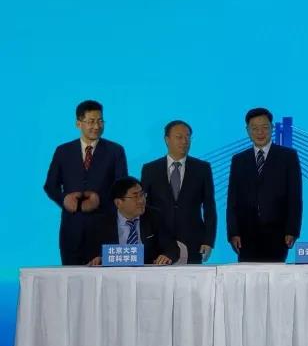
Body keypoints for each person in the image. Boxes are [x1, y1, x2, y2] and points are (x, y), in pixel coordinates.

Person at [44, 100, 127, 265]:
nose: (96, 126)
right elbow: (50, 186)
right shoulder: (63, 151)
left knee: (106, 279)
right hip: (71, 230)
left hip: (104, 229)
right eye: (91, 121)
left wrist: (99, 200)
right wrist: (64, 200)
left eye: (100, 121)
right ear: (78, 123)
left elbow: (121, 187)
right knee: (72, 278)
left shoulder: (115, 151)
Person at [226, 107, 303, 262]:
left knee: (276, 275)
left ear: (272, 128)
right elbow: (232, 200)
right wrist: (233, 232)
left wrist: (292, 230)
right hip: (246, 235)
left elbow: (295, 197)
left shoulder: (288, 157)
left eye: (264, 127)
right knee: (247, 276)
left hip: (278, 234)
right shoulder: (239, 160)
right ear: (248, 131)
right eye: (254, 128)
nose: (260, 132)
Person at [141, 120, 217, 264]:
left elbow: (209, 207)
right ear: (167, 139)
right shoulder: (150, 169)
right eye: (179, 137)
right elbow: (145, 207)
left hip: (193, 240)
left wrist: (208, 241)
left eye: (188, 137)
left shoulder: (202, 168)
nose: (185, 141)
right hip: (159, 241)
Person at [87, 176, 179, 266]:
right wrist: (99, 258)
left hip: (147, 272)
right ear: (118, 202)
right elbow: (89, 252)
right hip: (113, 273)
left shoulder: (155, 217)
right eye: (135, 197)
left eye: (142, 195)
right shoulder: (101, 223)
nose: (141, 201)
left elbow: (172, 248)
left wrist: (167, 256)